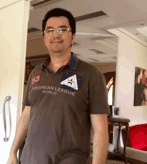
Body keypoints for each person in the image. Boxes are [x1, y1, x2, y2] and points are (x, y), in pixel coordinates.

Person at [7, 8, 110, 164]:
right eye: (50, 30)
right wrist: (13, 152)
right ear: (44, 38)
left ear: (72, 37)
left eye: (62, 29)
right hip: (29, 159)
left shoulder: (91, 75)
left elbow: (100, 130)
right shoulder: (36, 73)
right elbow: (26, 115)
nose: (56, 34)